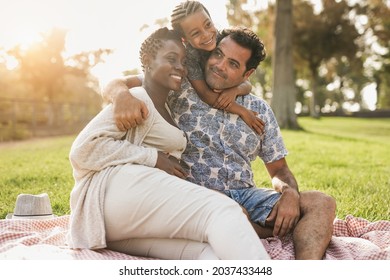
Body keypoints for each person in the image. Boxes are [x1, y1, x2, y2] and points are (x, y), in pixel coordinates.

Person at [103, 27, 337, 260]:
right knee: (235, 215)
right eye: (218, 54)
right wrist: (122, 95)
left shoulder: (259, 110)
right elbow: (118, 82)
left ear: (248, 74)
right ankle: (257, 231)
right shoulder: (180, 87)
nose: (220, 65)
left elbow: (279, 170)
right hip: (195, 197)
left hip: (246, 195)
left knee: (321, 203)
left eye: (233, 64)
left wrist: (290, 194)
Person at [67, 27, 270, 260]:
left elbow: (238, 87)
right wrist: (153, 158)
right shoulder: (138, 98)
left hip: (120, 222)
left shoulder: (170, 103)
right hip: (111, 194)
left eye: (183, 62)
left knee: (207, 253)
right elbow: (82, 150)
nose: (180, 67)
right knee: (224, 211)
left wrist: (239, 91)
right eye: (171, 59)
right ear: (147, 62)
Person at [104, 0, 265, 135]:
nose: (207, 35)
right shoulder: (189, 58)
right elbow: (206, 95)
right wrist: (243, 111)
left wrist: (235, 90)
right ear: (185, 39)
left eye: (208, 24)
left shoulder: (221, 39)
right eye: (195, 33)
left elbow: (246, 82)